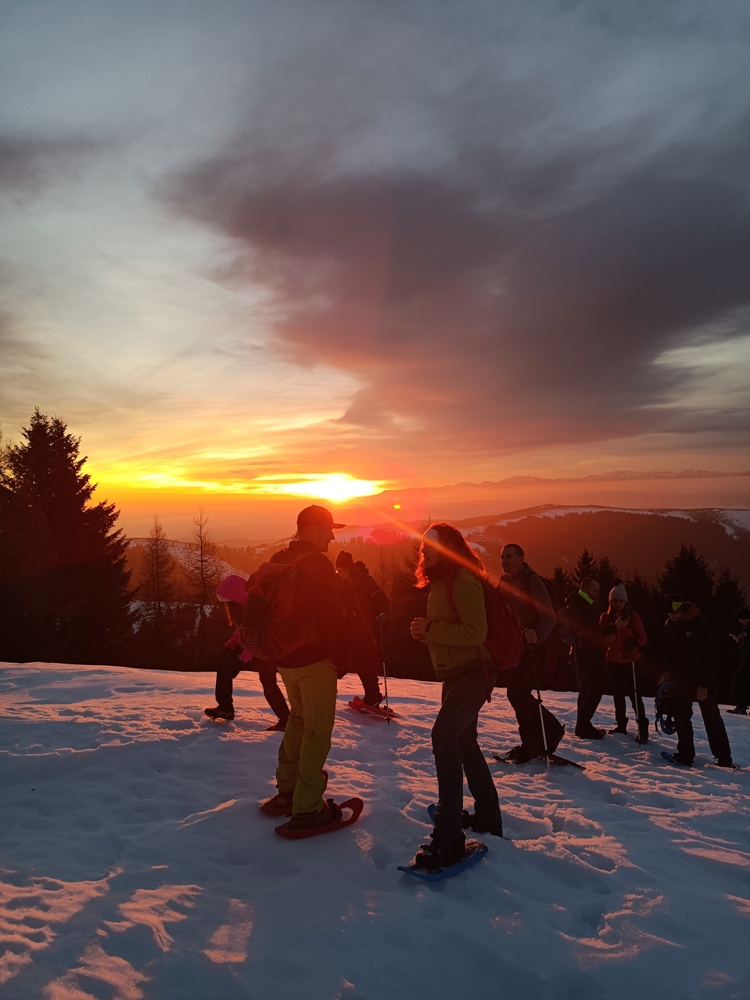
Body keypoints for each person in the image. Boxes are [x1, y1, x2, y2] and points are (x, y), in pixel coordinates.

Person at [409, 522, 503, 871]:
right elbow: (455, 629)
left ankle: (449, 838)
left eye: (431, 546)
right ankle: (488, 816)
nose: (425, 552)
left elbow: (475, 631)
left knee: (444, 737)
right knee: (464, 743)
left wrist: (431, 629)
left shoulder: (463, 580)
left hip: (472, 676)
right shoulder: (442, 583)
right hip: (457, 675)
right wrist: (425, 632)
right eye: (423, 547)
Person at [259, 505, 349, 828]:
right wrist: (341, 659)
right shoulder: (317, 566)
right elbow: (332, 619)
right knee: (317, 730)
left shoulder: (280, 559)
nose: (332, 535)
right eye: (328, 529)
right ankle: (308, 807)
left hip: (286, 661)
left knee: (298, 719)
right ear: (311, 530)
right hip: (314, 660)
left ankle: (287, 789)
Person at [499, 543, 564, 761]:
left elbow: (550, 616)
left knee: (517, 693)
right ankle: (532, 741)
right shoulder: (504, 582)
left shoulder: (531, 581)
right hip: (514, 649)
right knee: (517, 695)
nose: (504, 560)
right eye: (502, 557)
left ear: (521, 558)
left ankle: (550, 730)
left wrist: (537, 634)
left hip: (532, 650)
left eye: (509, 556)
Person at [204, 574, 290, 730]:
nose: (226, 606)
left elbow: (256, 637)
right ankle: (225, 708)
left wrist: (243, 656)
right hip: (255, 649)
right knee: (224, 666)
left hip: (264, 651)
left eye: (227, 602)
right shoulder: (243, 609)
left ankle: (286, 720)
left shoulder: (253, 610)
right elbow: (241, 633)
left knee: (268, 683)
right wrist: (230, 645)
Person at [661, 594, 733, 768]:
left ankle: (724, 757)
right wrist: (667, 671)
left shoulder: (701, 625)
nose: (673, 617)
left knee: (711, 717)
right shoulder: (673, 625)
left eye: (675, 614)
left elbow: (711, 657)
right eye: (670, 614)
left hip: (702, 681)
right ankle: (685, 754)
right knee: (681, 715)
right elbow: (673, 652)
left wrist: (705, 684)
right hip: (683, 679)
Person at [335, 551, 388, 711]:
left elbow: (381, 599)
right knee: (359, 663)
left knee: (364, 663)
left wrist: (382, 614)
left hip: (368, 631)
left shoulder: (364, 581)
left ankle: (373, 696)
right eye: (338, 570)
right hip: (353, 632)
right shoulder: (343, 585)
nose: (340, 573)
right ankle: (372, 695)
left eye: (342, 570)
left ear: (348, 568)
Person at [600, 583, 649, 743]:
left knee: (634, 694)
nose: (618, 604)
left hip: (631, 661)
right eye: (615, 601)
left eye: (621, 601)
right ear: (611, 601)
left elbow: (643, 637)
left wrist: (634, 643)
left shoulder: (634, 617)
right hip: (613, 660)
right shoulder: (605, 618)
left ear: (625, 601)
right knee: (618, 694)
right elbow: (600, 637)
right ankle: (621, 724)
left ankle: (643, 729)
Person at [566, 577, 607, 740]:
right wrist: (612, 628)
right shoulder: (581, 607)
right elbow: (592, 632)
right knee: (596, 689)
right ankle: (583, 725)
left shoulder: (578, 605)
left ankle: (582, 723)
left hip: (583, 654)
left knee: (586, 688)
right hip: (588, 655)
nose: (598, 594)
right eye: (595, 590)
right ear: (586, 590)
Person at [727, 605, 750, 716]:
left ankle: (741, 706)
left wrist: (739, 642)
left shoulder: (747, 629)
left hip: (748, 660)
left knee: (738, 681)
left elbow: (747, 647)